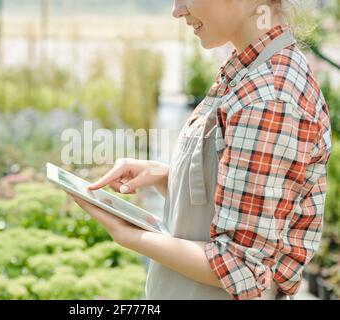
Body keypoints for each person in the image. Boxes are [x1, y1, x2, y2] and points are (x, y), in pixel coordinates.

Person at [67, 0, 332, 300]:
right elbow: (240, 206)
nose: (177, 10)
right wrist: (164, 176)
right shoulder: (250, 71)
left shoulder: (268, 99)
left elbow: (240, 267)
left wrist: (129, 234)